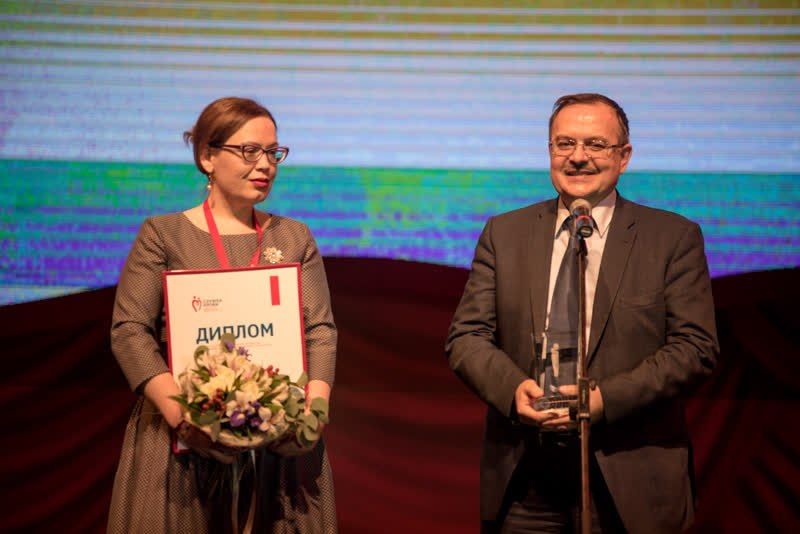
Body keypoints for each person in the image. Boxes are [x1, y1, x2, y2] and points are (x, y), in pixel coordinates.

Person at [446, 93, 718, 533]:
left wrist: (602, 400)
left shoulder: (672, 238)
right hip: (526, 478)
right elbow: (466, 337)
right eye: (564, 143)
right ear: (549, 150)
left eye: (595, 144)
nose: (577, 157)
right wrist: (513, 390)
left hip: (632, 474)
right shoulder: (504, 233)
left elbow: (695, 348)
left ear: (624, 156)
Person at [108, 96, 337, 533]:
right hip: (180, 443)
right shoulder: (163, 235)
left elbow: (320, 330)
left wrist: (314, 409)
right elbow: (129, 331)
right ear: (207, 157)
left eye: (273, 152)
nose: (265, 165)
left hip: (280, 443)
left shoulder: (293, 237)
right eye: (249, 151)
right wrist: (183, 417)